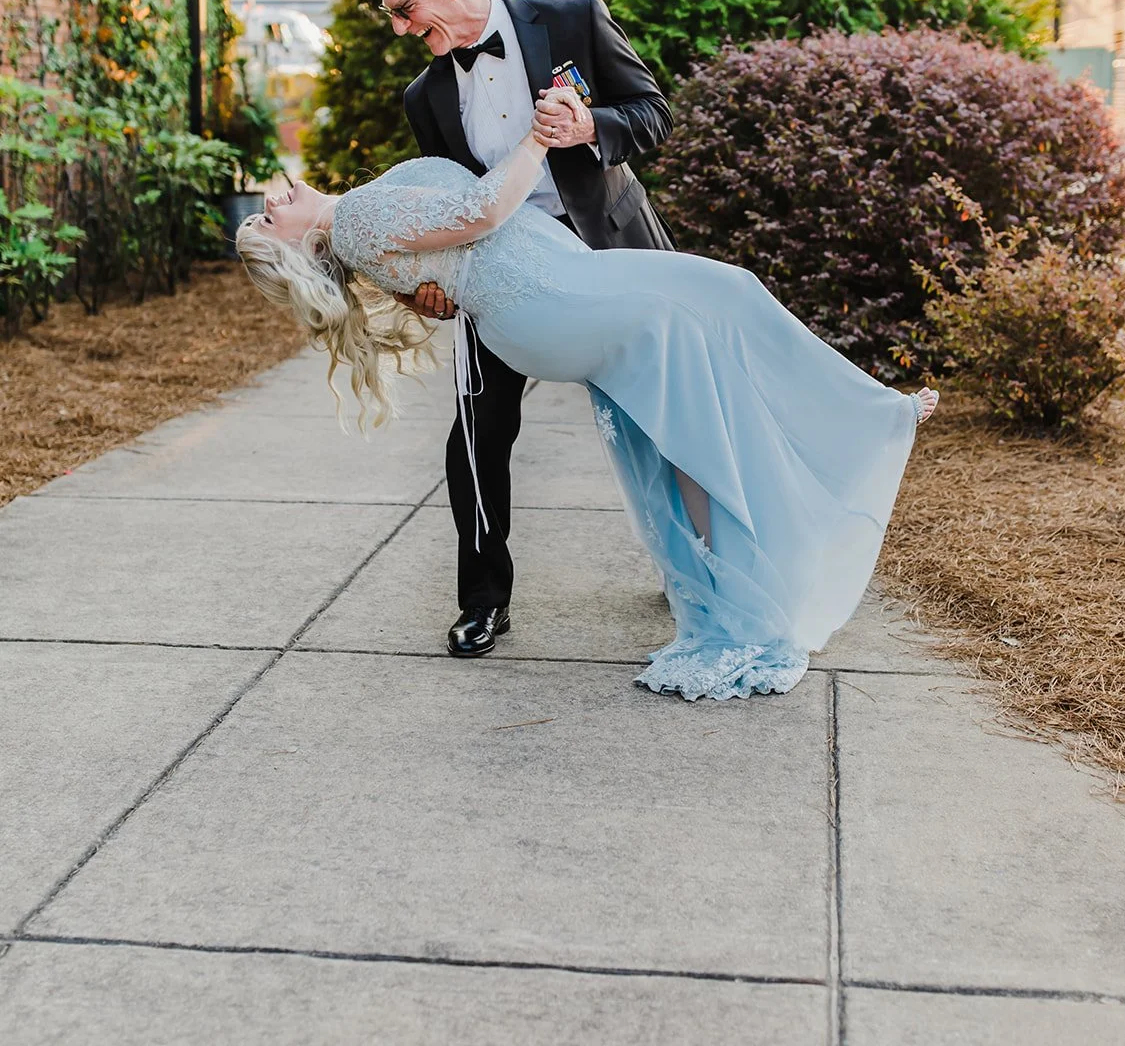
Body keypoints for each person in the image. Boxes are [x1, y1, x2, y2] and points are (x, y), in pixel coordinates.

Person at [236, 120, 938, 702]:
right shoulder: (352, 219)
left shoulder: (356, 222)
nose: (273, 199)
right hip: (550, 297)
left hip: (548, 296)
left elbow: (435, 258)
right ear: (302, 246)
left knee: (682, 413)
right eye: (270, 220)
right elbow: (479, 212)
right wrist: (538, 138)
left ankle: (736, 596)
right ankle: (864, 422)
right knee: (727, 299)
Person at [377, 0, 675, 660]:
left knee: (665, 416)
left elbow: (653, 114)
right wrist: (427, 285)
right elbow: (448, 202)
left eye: (402, 7)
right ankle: (483, 601)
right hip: (502, 271)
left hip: (610, 252)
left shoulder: (575, 18)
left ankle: (695, 565)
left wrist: (588, 127)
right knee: (476, 433)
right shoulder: (425, 97)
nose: (400, 27)